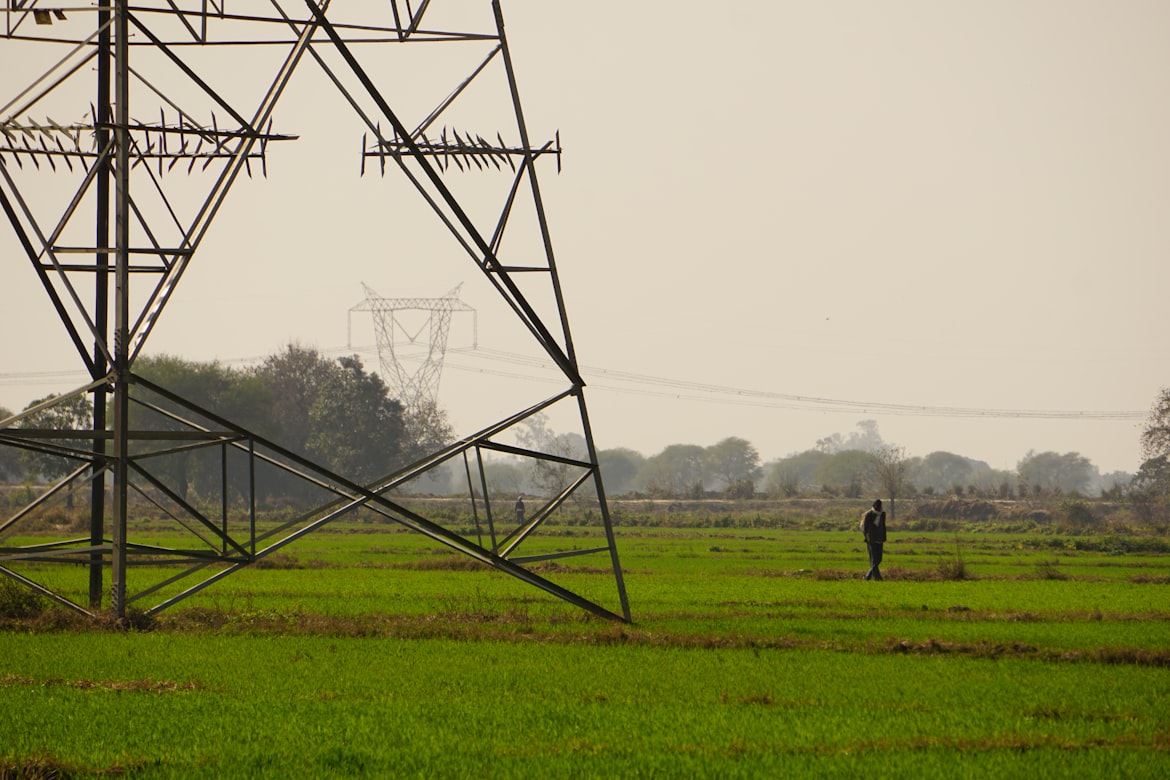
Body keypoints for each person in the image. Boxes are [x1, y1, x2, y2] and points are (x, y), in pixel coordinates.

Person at [861, 499, 887, 581]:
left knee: (879, 559)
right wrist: (866, 537)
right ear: (874, 506)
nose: (878, 507)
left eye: (880, 506)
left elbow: (883, 526)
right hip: (871, 539)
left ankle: (867, 576)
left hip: (880, 538)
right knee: (873, 559)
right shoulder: (869, 514)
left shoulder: (883, 514)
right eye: (877, 506)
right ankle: (878, 578)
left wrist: (884, 536)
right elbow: (865, 527)